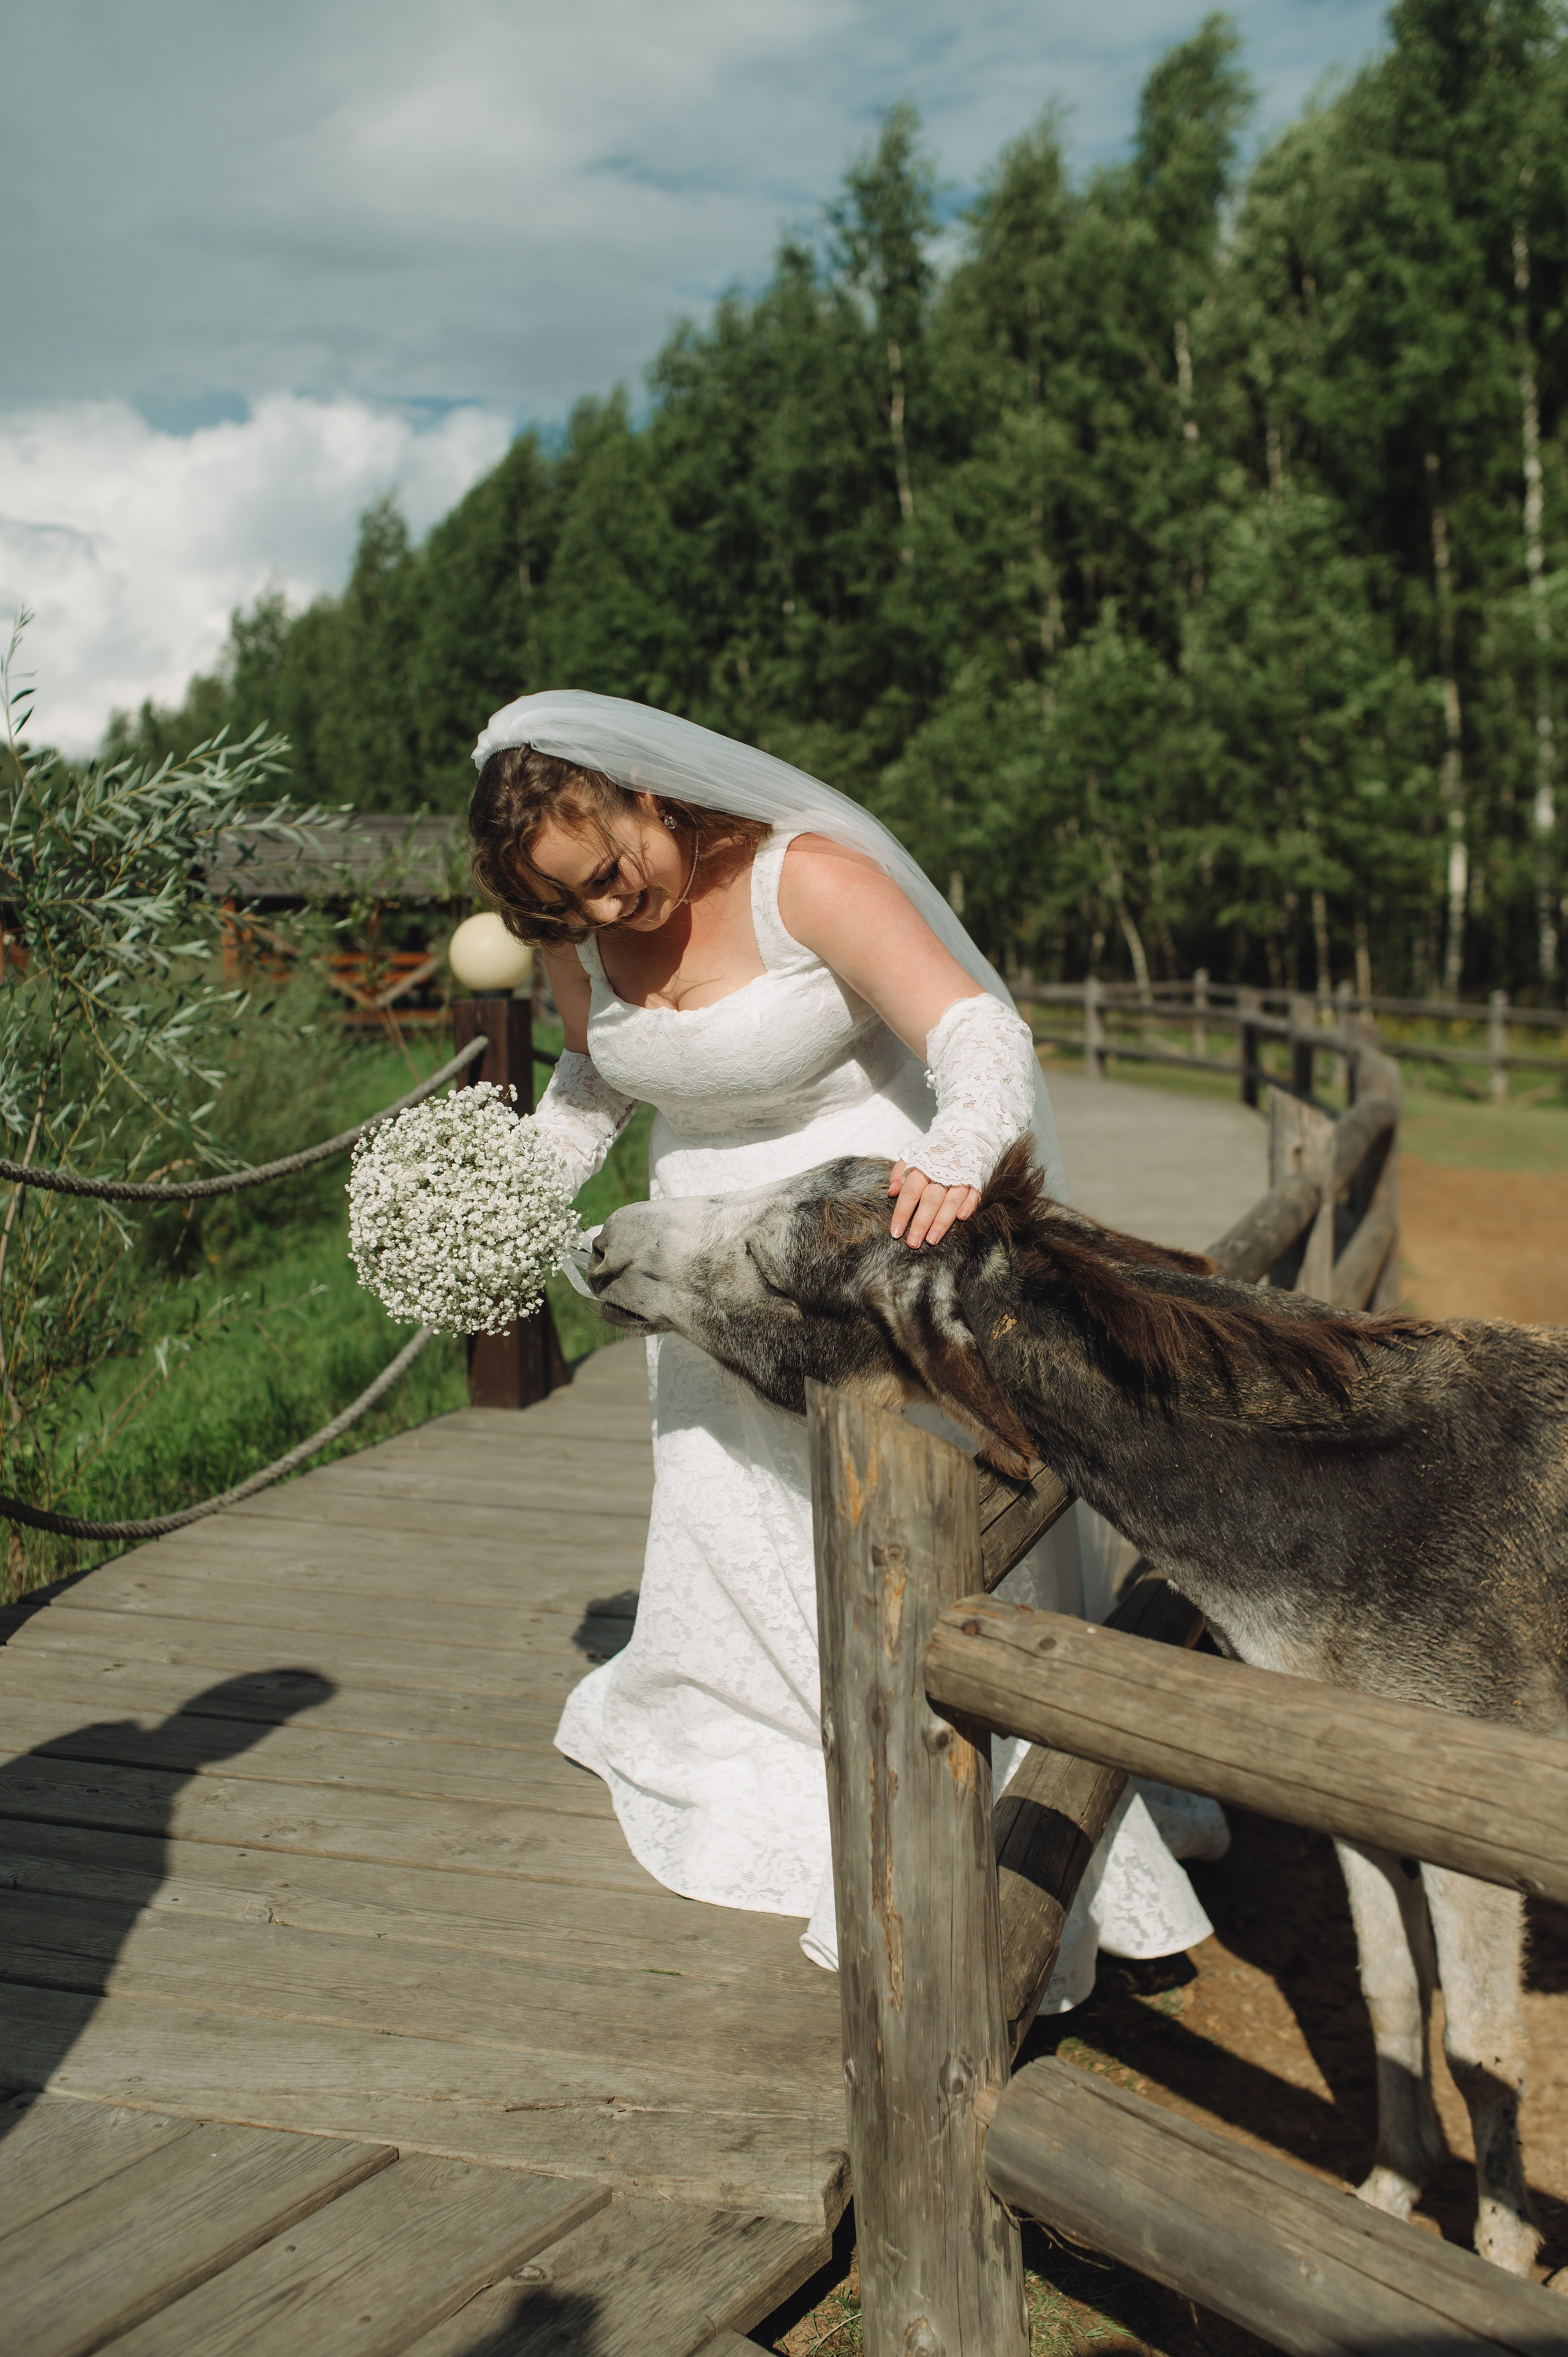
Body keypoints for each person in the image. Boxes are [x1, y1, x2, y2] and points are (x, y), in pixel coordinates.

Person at [468, 691, 1220, 2005]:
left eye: (608, 875)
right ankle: (792, 1748)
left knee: (903, 1521)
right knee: (738, 1514)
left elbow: (975, 1028)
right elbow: (592, 1076)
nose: (601, 916)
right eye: (566, 904)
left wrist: (953, 1150)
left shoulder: (798, 876)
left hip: (857, 1250)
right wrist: (522, 1183)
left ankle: (975, 1800)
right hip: (700, 1272)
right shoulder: (573, 936)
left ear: (648, 794)